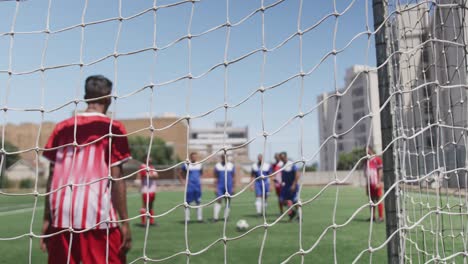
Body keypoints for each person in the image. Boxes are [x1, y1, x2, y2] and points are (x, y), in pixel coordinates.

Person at [41, 75, 132, 264]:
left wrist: (47, 219)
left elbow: (51, 176)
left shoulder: (61, 128)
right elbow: (117, 178)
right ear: (108, 97)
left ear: (85, 97)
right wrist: (125, 222)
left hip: (61, 216)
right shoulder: (113, 127)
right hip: (99, 216)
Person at [179, 152, 204, 222]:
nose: (194, 158)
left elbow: (201, 173)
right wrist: (182, 181)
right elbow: (180, 172)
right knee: (187, 202)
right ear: (190, 157)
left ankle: (200, 218)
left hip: (197, 186)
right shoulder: (186, 164)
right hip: (189, 186)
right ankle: (187, 219)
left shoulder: (200, 164)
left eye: (195, 157)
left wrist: (198, 180)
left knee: (198, 202)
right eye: (193, 157)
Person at [213, 155, 235, 222]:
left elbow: (234, 177)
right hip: (220, 186)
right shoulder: (217, 166)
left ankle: (226, 217)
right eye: (223, 158)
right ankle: (215, 218)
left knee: (227, 201)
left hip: (229, 186)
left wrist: (233, 187)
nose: (224, 159)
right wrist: (215, 187)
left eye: (225, 157)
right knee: (219, 200)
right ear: (221, 158)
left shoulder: (231, 165)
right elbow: (215, 177)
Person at [365, 147, 384, 222]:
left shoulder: (377, 159)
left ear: (371, 150)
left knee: (378, 200)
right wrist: (367, 186)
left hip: (376, 183)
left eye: (367, 150)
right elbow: (367, 174)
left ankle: (381, 217)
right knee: (371, 201)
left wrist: (379, 182)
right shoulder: (366, 161)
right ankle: (372, 217)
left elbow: (380, 171)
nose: (366, 152)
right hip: (370, 184)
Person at [279, 152, 300, 221]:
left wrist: (294, 185)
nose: (282, 159)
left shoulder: (291, 164)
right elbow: (283, 175)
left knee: (294, 201)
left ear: (286, 157)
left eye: (283, 157)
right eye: (281, 158)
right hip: (285, 186)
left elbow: (297, 174)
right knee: (282, 200)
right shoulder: (282, 165)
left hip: (292, 185)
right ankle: (292, 213)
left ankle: (299, 216)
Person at [139, 156, 158, 226]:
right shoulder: (143, 166)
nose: (150, 159)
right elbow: (147, 176)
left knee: (151, 205)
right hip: (145, 190)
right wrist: (152, 175)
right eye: (148, 158)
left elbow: (156, 176)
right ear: (145, 159)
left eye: (151, 158)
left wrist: (152, 175)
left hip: (153, 189)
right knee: (144, 205)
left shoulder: (152, 167)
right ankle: (143, 222)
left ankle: (151, 221)